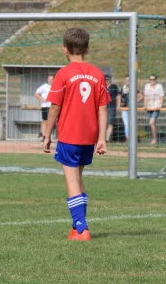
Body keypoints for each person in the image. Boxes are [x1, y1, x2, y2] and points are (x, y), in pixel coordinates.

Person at [42, 27, 110, 241]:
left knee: (71, 181)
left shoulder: (63, 74)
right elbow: (103, 108)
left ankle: (81, 228)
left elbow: (54, 108)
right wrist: (101, 138)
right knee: (78, 178)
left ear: (65, 50)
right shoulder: (97, 74)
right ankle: (77, 226)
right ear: (87, 49)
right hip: (89, 137)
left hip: (69, 135)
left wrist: (47, 135)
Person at [119, 75, 143, 142]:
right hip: (124, 109)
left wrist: (136, 101)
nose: (128, 81)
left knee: (132, 124)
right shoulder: (123, 88)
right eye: (127, 80)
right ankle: (128, 138)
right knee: (126, 124)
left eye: (129, 80)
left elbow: (141, 96)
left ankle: (133, 138)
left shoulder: (133, 88)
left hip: (132, 109)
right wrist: (120, 104)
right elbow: (119, 97)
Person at [143, 74, 164, 144]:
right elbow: (145, 96)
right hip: (149, 107)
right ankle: (154, 138)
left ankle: (154, 139)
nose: (152, 80)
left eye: (153, 79)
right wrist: (145, 105)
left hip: (156, 107)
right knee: (152, 124)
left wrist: (159, 105)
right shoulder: (147, 86)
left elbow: (161, 97)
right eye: (150, 79)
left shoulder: (159, 86)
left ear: (155, 80)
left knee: (151, 122)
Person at [105, 75, 120, 142]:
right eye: (105, 80)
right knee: (104, 123)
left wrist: (118, 105)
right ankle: (104, 137)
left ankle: (107, 139)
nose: (106, 81)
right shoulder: (101, 87)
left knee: (110, 123)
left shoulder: (113, 86)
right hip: (103, 107)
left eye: (107, 79)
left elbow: (118, 95)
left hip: (111, 107)